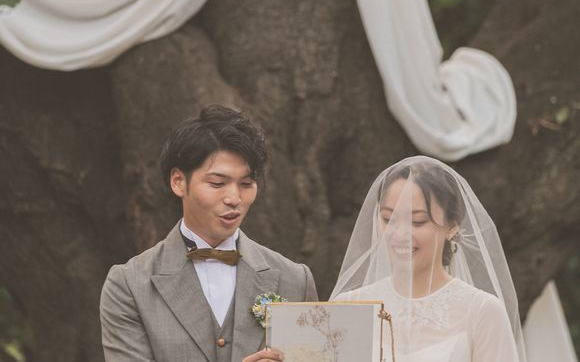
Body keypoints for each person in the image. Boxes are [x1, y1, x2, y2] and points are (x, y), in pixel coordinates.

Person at [100, 104, 317, 362]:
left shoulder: (295, 280)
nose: (234, 198)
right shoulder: (129, 285)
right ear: (178, 181)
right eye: (217, 183)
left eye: (246, 183)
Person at [331, 155, 526, 362]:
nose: (400, 234)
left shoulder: (483, 312)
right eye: (389, 219)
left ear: (452, 227)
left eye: (417, 221)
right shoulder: (347, 306)